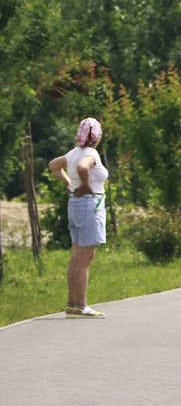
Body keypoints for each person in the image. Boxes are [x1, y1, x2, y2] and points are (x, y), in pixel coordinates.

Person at [48, 117, 109, 318]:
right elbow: (83, 167)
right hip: (89, 205)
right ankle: (81, 304)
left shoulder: (73, 153)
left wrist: (69, 183)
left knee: (76, 257)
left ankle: (72, 304)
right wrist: (85, 186)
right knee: (85, 258)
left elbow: (53, 165)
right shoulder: (90, 154)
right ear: (96, 136)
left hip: (75, 205)